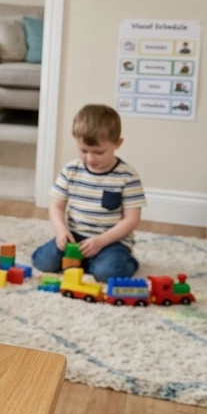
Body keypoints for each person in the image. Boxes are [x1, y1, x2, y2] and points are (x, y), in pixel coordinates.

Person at [31, 104, 145, 281]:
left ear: (117, 143)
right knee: (43, 262)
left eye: (98, 152)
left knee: (107, 273)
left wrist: (100, 242)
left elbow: (132, 219)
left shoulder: (127, 176)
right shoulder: (71, 170)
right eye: (84, 151)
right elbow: (57, 206)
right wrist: (61, 231)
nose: (90, 158)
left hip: (110, 241)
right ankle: (85, 262)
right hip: (74, 236)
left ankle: (125, 262)